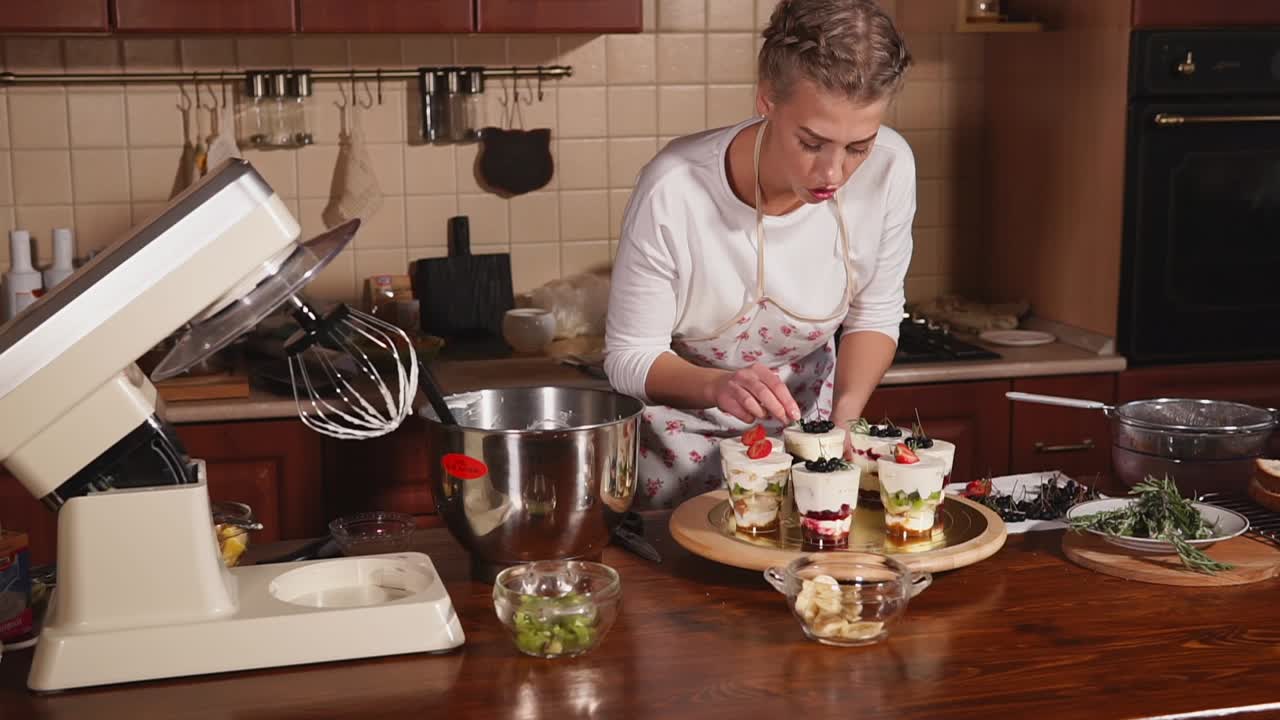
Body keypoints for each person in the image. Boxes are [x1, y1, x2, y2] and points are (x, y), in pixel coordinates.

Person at [605, 0, 915, 509]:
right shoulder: (675, 187)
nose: (834, 174)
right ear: (767, 100)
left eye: (858, 146)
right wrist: (718, 385)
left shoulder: (891, 168)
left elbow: (875, 314)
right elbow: (628, 357)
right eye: (812, 142)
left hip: (807, 448)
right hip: (678, 460)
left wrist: (841, 424)